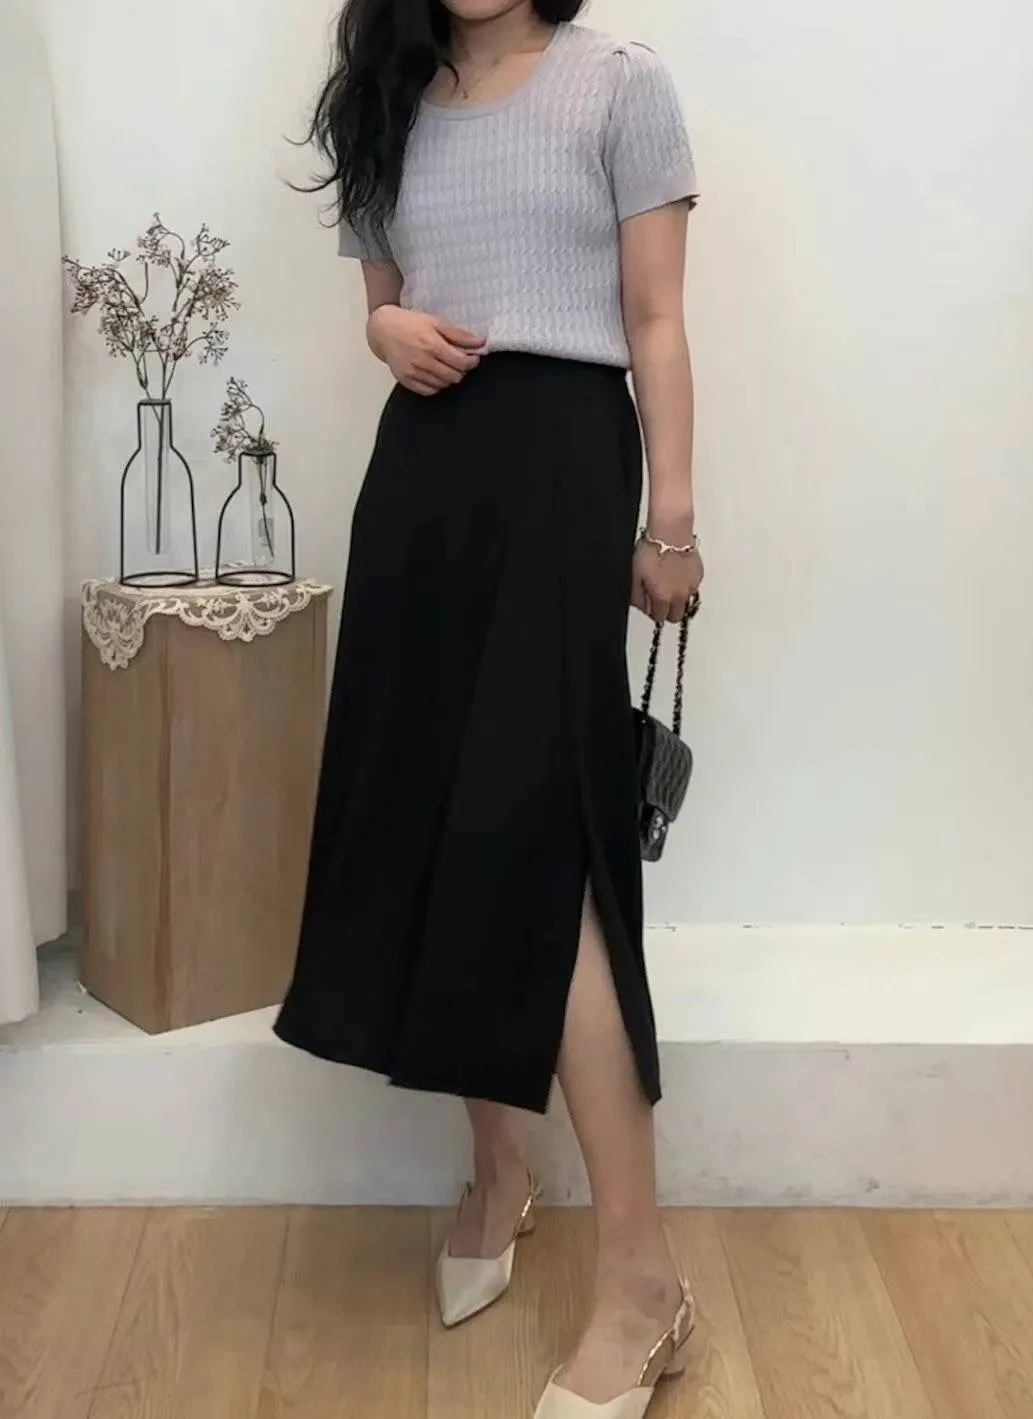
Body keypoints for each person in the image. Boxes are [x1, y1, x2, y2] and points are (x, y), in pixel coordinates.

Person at [274, 1, 704, 1414]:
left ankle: (642, 1284)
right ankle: (499, 1173)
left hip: (565, 466)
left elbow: (655, 316)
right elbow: (382, 299)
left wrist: (673, 521)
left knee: (543, 849)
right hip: (424, 475)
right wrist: (385, 327)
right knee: (437, 819)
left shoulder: (619, 83)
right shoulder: (386, 90)